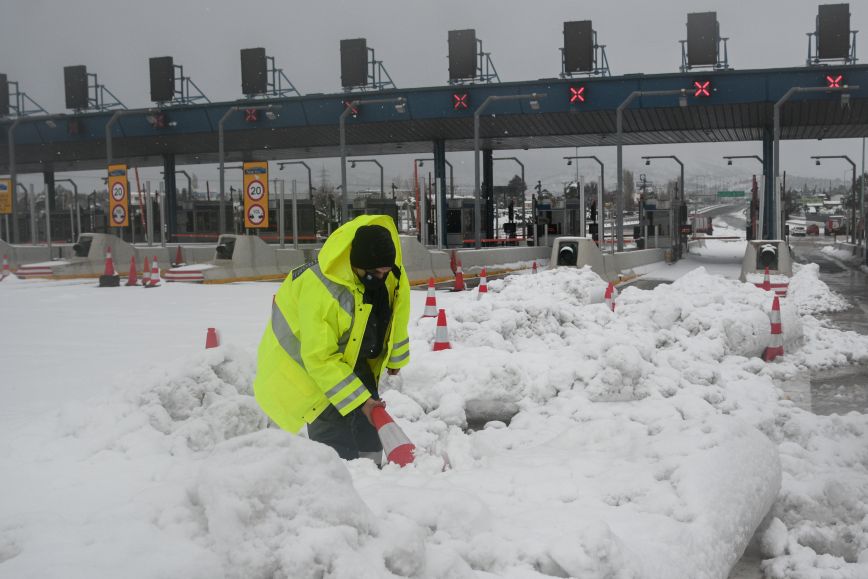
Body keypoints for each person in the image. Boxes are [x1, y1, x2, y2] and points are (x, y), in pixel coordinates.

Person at [254, 215, 411, 464]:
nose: (381, 278)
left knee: (369, 425)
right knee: (335, 437)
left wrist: (395, 358)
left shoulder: (384, 275)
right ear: (357, 265)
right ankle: (342, 484)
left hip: (342, 357)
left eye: (385, 272)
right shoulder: (322, 291)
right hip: (303, 370)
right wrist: (362, 401)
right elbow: (320, 358)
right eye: (375, 273)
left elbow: (398, 306)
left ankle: (372, 480)